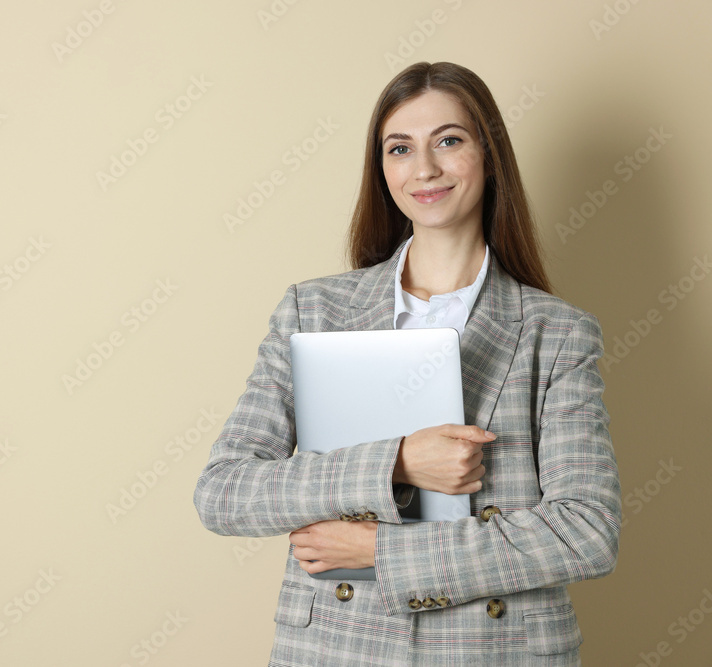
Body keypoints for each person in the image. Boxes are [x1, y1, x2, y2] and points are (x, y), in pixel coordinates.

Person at [193, 61, 620, 666]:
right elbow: (224, 493)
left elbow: (586, 531)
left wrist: (379, 551)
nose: (424, 168)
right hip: (337, 647)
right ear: (382, 168)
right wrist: (396, 461)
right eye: (400, 148)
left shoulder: (558, 332)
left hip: (497, 651)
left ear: (489, 154)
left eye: (449, 140)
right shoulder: (313, 310)